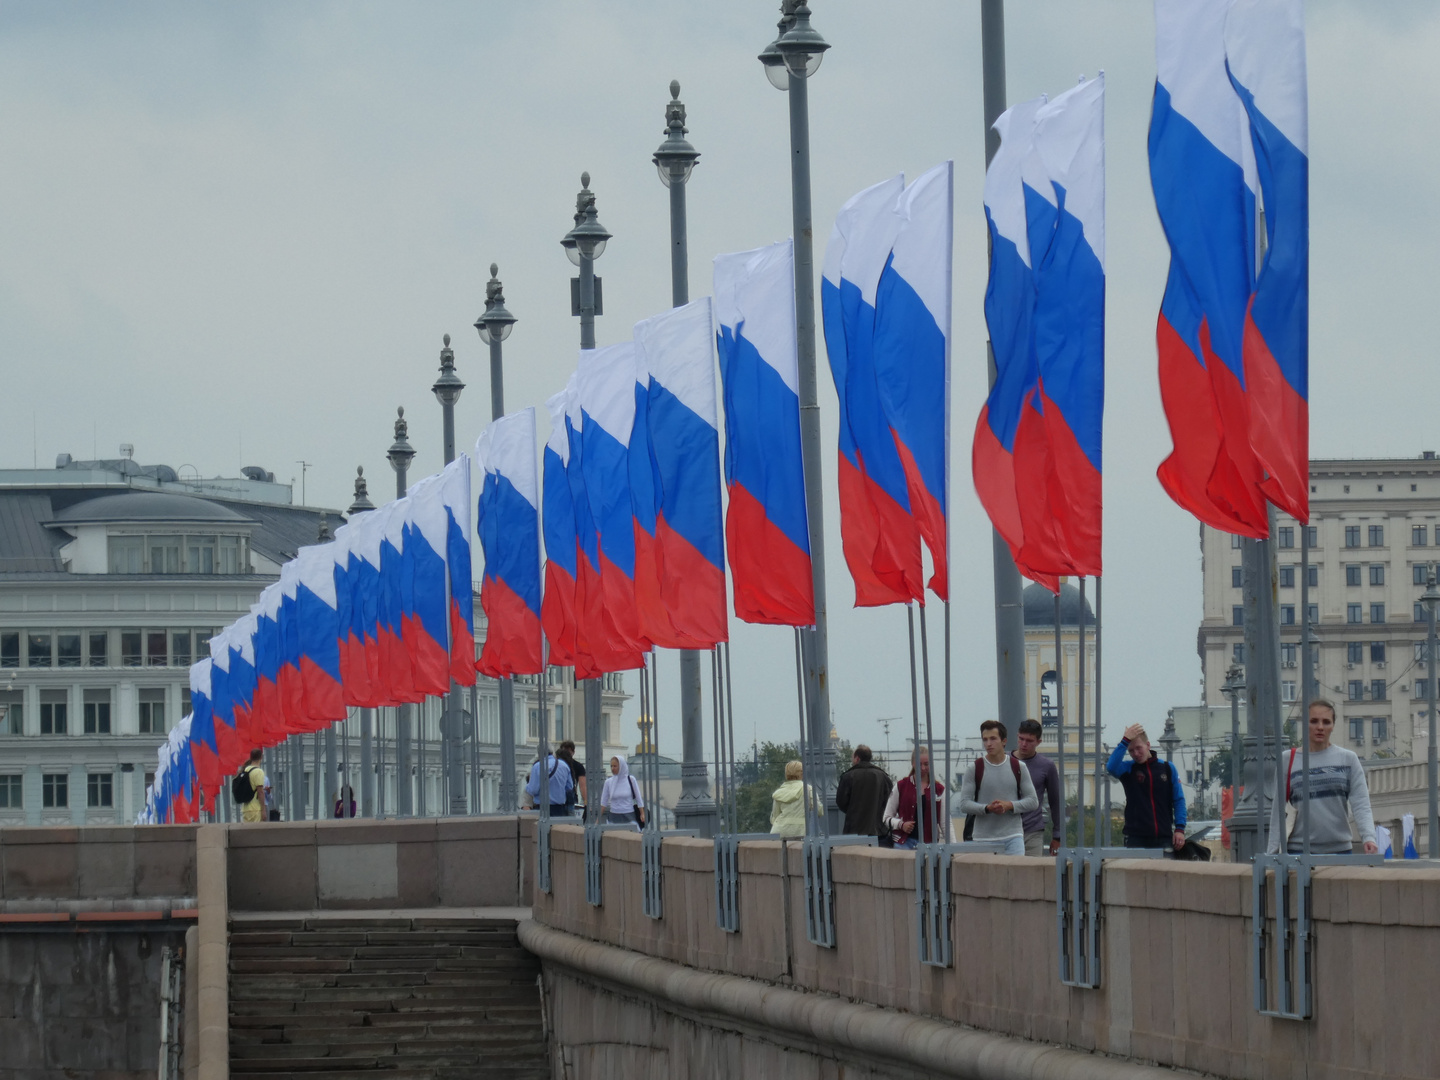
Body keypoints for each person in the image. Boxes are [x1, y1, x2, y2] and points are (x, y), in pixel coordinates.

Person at [1267, 699, 1379, 854]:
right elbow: (1278, 810)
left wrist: (1369, 837)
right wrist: (1272, 852)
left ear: (1333, 726)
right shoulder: (1288, 760)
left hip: (1340, 851)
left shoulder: (1348, 759)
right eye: (1314, 721)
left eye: (1326, 722)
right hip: (1298, 852)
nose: (1320, 727)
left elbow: (1361, 803)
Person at [958, 721, 1038, 856]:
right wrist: (987, 808)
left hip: (1013, 837)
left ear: (1004, 741)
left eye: (993, 739)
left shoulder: (1018, 767)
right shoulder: (975, 768)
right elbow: (964, 804)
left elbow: (1033, 801)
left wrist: (1009, 805)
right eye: (985, 739)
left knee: (1014, 876)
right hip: (982, 839)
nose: (989, 744)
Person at [1107, 724, 1186, 851]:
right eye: (1131, 750)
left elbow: (1178, 800)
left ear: (1148, 745)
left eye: (1139, 748)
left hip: (1164, 837)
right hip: (1136, 838)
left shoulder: (1167, 768)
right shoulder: (1128, 769)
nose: (1136, 753)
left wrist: (1180, 828)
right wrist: (1125, 741)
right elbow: (1111, 767)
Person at [883, 746, 955, 848]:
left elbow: (945, 823)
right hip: (903, 843)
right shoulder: (901, 786)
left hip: (929, 845)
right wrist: (901, 825)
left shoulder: (939, 790)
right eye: (919, 764)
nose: (923, 768)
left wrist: (954, 847)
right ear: (913, 764)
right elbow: (886, 818)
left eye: (926, 764)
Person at [1015, 720, 1062, 855]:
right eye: (1021, 739)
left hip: (1032, 830)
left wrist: (1057, 835)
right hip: (1006, 830)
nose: (1024, 744)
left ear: (1038, 742)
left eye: (1029, 741)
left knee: (1031, 872)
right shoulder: (1005, 760)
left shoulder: (1046, 766)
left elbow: (1055, 801)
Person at [835, 744, 894, 842]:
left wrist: (852, 811)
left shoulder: (848, 776)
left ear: (857, 758)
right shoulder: (883, 776)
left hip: (853, 830)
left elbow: (841, 802)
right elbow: (890, 801)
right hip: (879, 830)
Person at [769, 760, 814, 838]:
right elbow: (818, 810)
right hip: (801, 830)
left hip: (778, 831)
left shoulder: (779, 792)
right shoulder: (808, 789)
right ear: (802, 773)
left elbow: (775, 814)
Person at [599, 755, 646, 829]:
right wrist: (597, 820)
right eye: (611, 766)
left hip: (628, 815)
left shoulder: (631, 780)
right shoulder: (608, 782)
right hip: (613, 816)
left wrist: (642, 813)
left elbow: (638, 798)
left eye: (615, 766)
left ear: (621, 766)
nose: (612, 768)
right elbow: (603, 802)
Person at [525, 750, 573, 818]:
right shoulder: (564, 765)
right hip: (559, 809)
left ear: (539, 754)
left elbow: (533, 790)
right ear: (552, 753)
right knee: (558, 828)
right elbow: (569, 787)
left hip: (541, 808)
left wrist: (527, 787)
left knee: (541, 828)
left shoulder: (537, 766)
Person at [236, 749, 267, 823]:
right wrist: (263, 809)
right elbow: (260, 792)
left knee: (247, 833)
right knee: (257, 833)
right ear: (261, 757)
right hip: (256, 809)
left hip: (245, 809)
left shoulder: (245, 770)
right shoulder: (258, 771)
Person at [558, 740, 586, 811]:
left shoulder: (555, 765)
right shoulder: (578, 766)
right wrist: (586, 802)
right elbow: (583, 786)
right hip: (571, 796)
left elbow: (583, 786)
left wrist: (586, 800)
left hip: (558, 797)